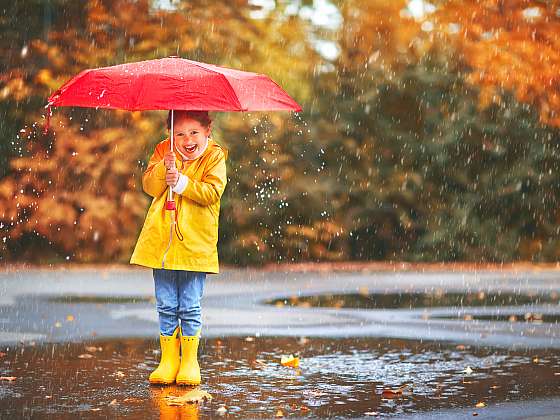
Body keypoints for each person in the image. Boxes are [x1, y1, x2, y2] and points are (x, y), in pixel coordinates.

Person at [130, 110, 228, 385]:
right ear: (171, 134)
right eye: (179, 134)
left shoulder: (215, 156)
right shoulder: (164, 149)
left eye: (194, 132)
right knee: (166, 303)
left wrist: (182, 182)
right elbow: (150, 186)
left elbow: (212, 193)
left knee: (189, 304)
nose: (187, 140)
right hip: (163, 240)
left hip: (194, 242)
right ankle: (168, 360)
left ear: (207, 130)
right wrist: (164, 167)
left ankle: (189, 361)